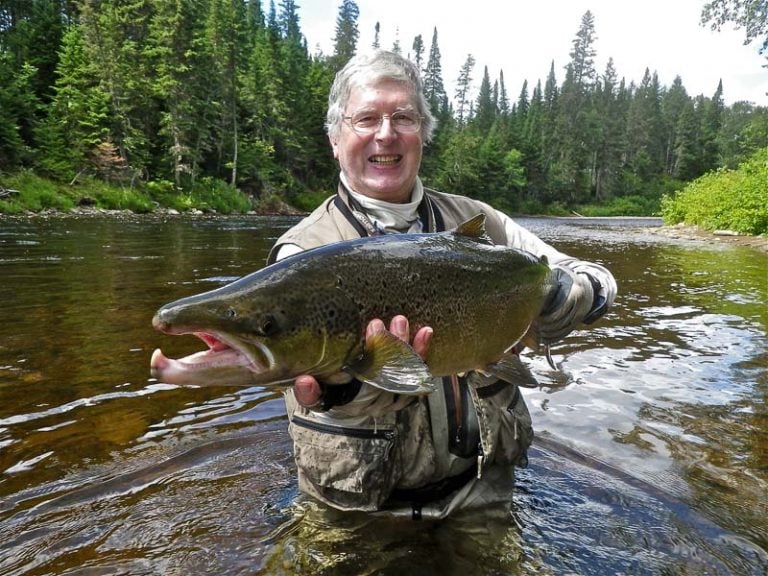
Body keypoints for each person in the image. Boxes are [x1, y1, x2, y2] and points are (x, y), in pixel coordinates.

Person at [267, 50, 617, 520]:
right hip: (357, 513)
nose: (386, 133)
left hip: (482, 498)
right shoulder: (301, 258)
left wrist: (559, 297)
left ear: (423, 135)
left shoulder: (483, 225)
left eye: (403, 118)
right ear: (335, 138)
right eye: (366, 119)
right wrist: (348, 388)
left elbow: (600, 282)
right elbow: (317, 394)